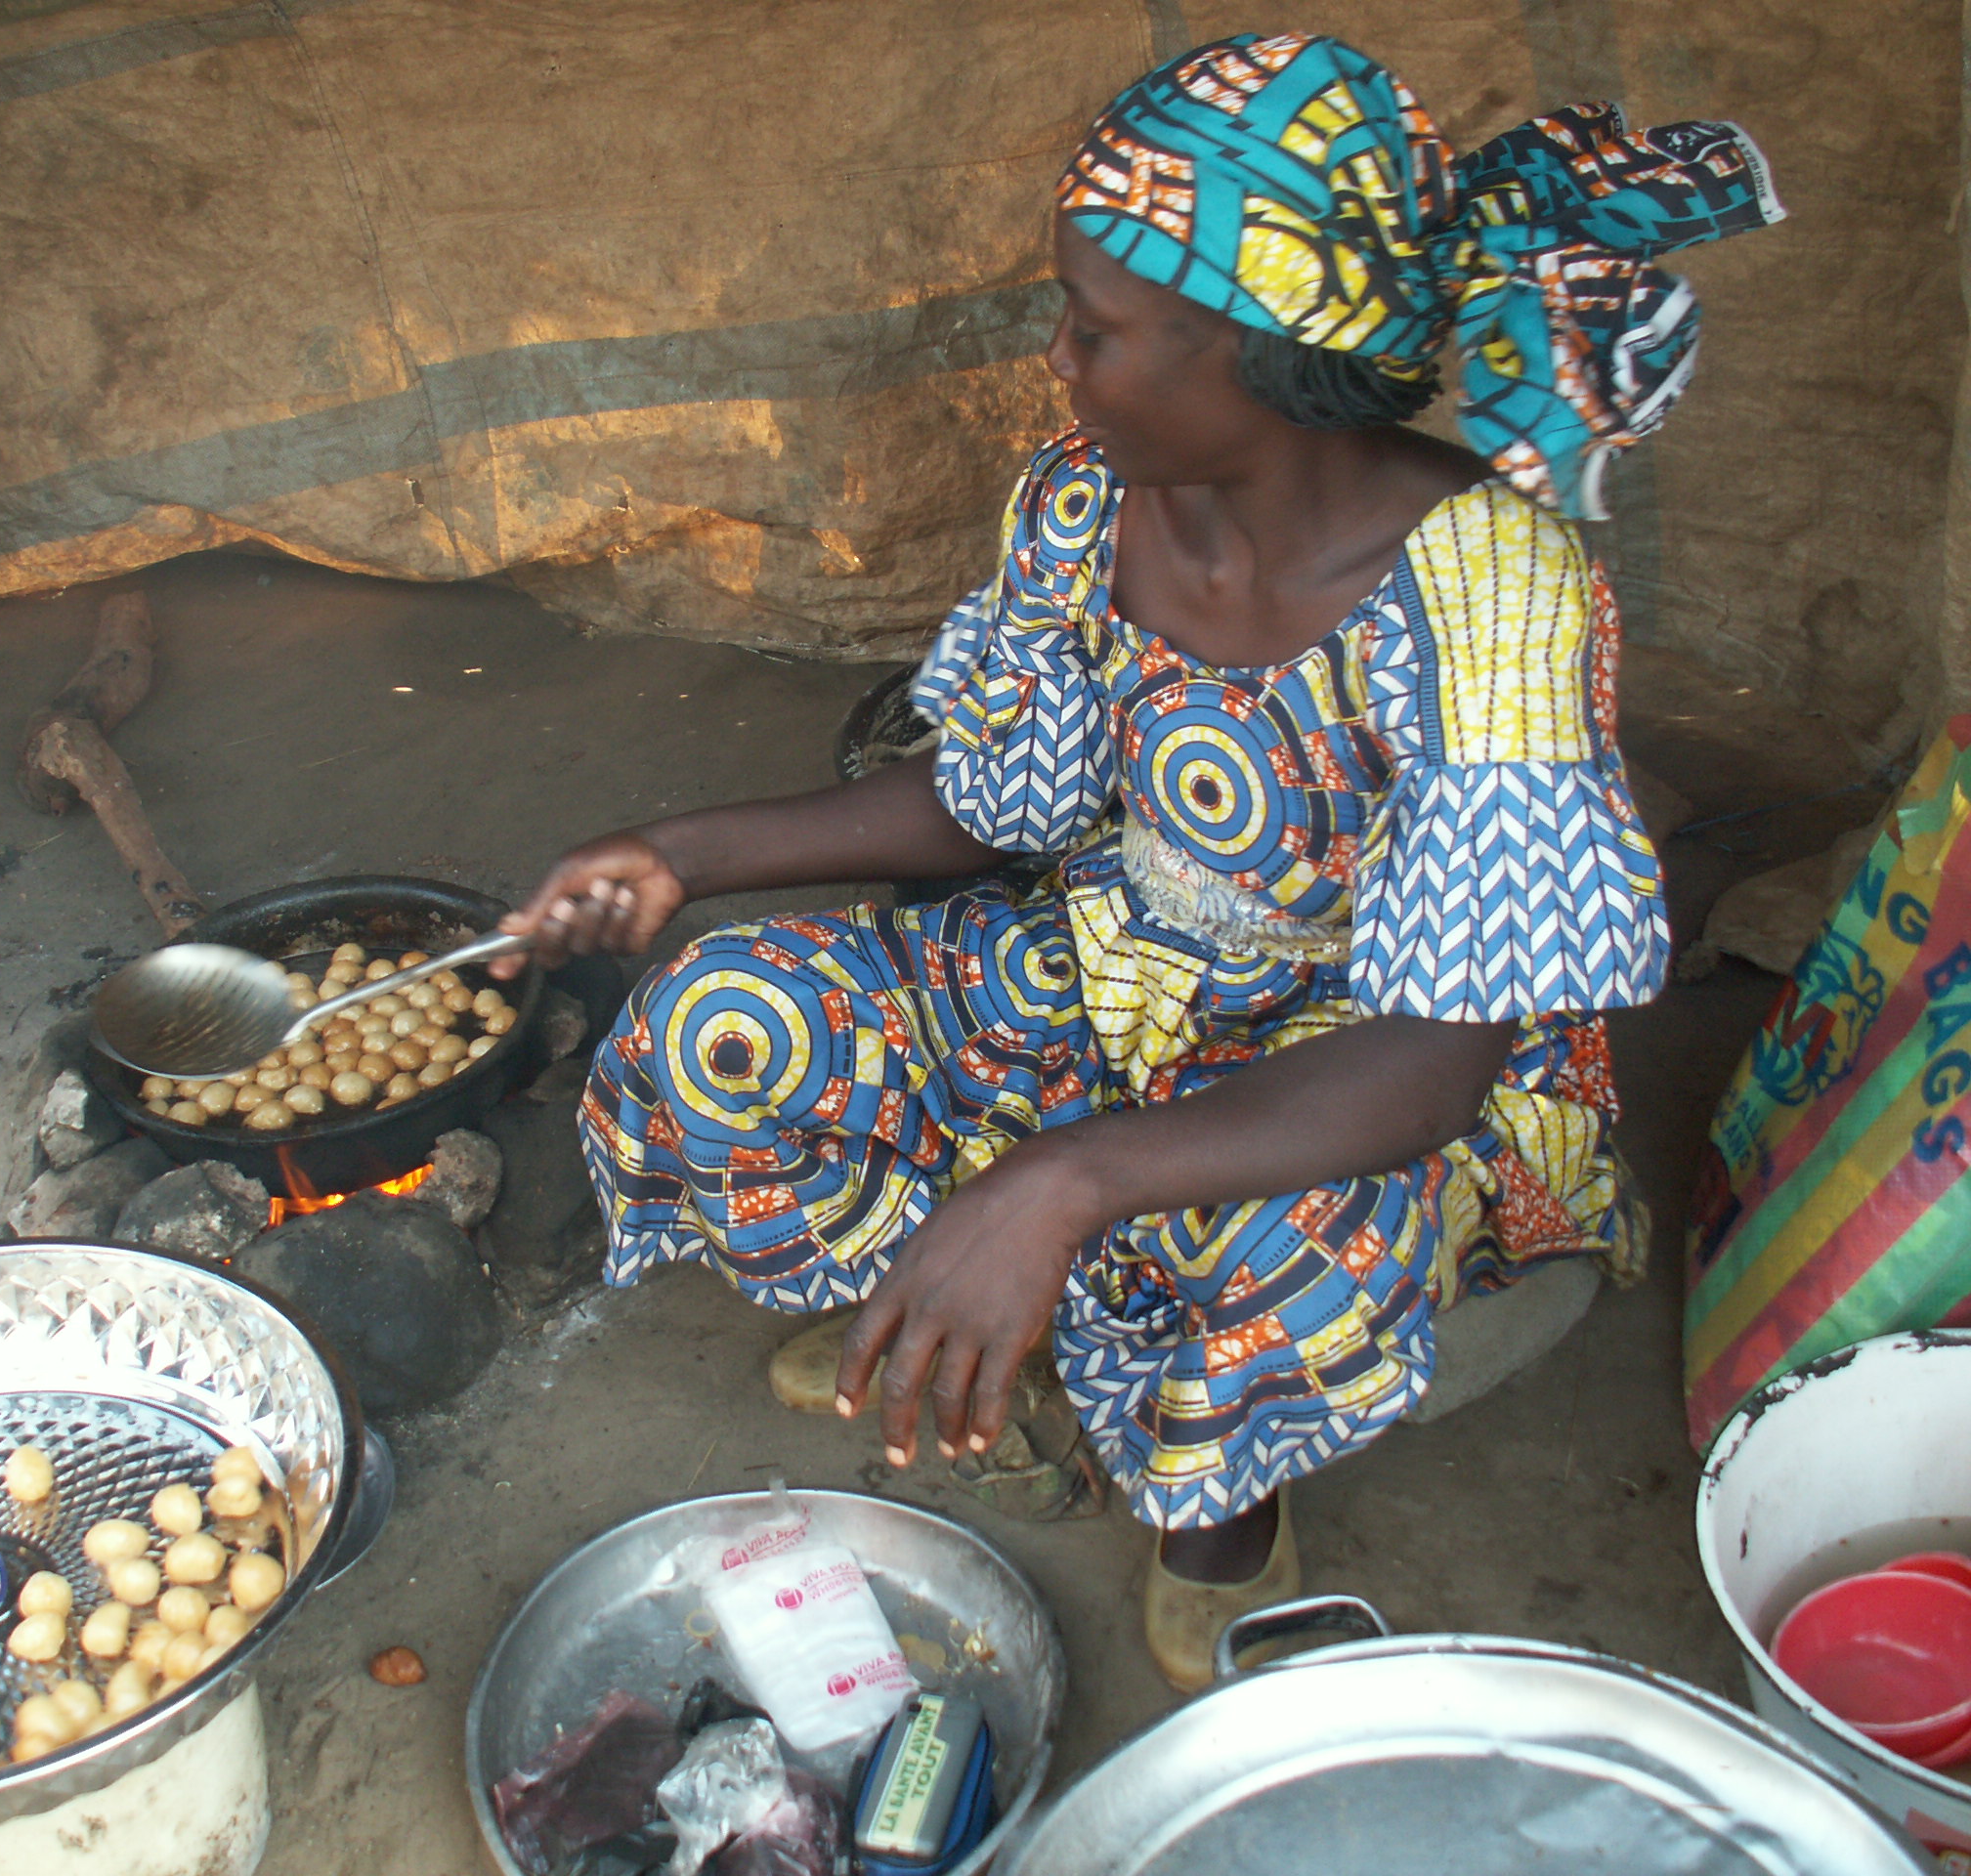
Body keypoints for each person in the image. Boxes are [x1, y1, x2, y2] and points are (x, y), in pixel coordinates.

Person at [493, 33, 1781, 1690]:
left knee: (1284, 1234)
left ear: (1256, 346)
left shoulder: (1491, 591)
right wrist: (680, 852)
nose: (1060, 359)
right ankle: (956, 1321)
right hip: (1129, 966)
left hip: (1374, 1057)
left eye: (1094, 329)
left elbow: (1435, 1068)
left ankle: (1222, 1517)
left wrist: (1059, 1176)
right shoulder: (1087, 504)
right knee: (728, 1019)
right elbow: (996, 810)